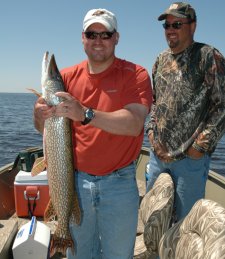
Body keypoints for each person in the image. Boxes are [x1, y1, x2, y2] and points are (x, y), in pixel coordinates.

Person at [34, 8, 152, 259]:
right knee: (80, 255)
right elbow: (43, 130)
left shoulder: (135, 74)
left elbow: (134, 124)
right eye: (92, 34)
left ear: (116, 38)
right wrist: (39, 115)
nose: (98, 40)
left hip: (119, 184)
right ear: (83, 38)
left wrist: (85, 114)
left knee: (118, 255)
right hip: (75, 182)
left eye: (105, 34)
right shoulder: (65, 78)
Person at [146, 2, 225, 222]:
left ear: (193, 26)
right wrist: (151, 134)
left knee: (183, 227)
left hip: (189, 162)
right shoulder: (160, 60)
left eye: (177, 24)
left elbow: (222, 106)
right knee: (153, 221)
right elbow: (155, 103)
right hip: (157, 157)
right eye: (167, 25)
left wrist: (200, 147)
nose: (170, 29)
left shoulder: (208, 56)